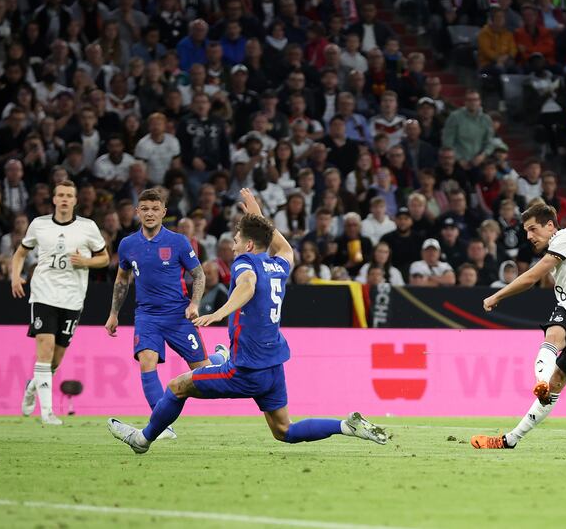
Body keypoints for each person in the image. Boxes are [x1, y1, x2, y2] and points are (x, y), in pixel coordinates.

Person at [107, 188, 388, 453]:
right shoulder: (279, 264)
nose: (233, 244)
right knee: (284, 430)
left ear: (249, 244)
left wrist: (220, 312)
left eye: (238, 238)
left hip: (246, 370)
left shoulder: (245, 263)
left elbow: (248, 285)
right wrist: (257, 213)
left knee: (177, 387)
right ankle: (345, 425)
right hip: (273, 365)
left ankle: (142, 439)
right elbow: (283, 246)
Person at [471, 203, 566, 449]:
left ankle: (511, 439)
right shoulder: (561, 247)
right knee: (553, 335)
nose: (528, 236)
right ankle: (542, 382)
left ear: (550, 226)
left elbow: (531, 278)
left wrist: (497, 296)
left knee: (559, 382)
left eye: (533, 229)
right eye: (526, 231)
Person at [104, 188, 228, 438]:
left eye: (155, 209)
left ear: (163, 212)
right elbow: (122, 280)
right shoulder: (128, 244)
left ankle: (218, 360)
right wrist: (113, 313)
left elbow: (199, 275)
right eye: (145, 209)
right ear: (138, 212)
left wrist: (194, 303)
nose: (150, 213)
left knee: (202, 374)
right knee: (146, 362)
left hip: (177, 315)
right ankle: (162, 427)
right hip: (147, 316)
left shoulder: (178, 242)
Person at [11, 180, 110, 426]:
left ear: (75, 200)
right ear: (54, 199)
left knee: (55, 360)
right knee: (44, 350)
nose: (65, 199)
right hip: (43, 294)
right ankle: (47, 412)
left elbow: (105, 258)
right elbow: (21, 252)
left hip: (73, 299)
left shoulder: (88, 228)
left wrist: (85, 262)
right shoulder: (39, 225)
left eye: (69, 195)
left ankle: (33, 385)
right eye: (61, 195)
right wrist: (15, 276)